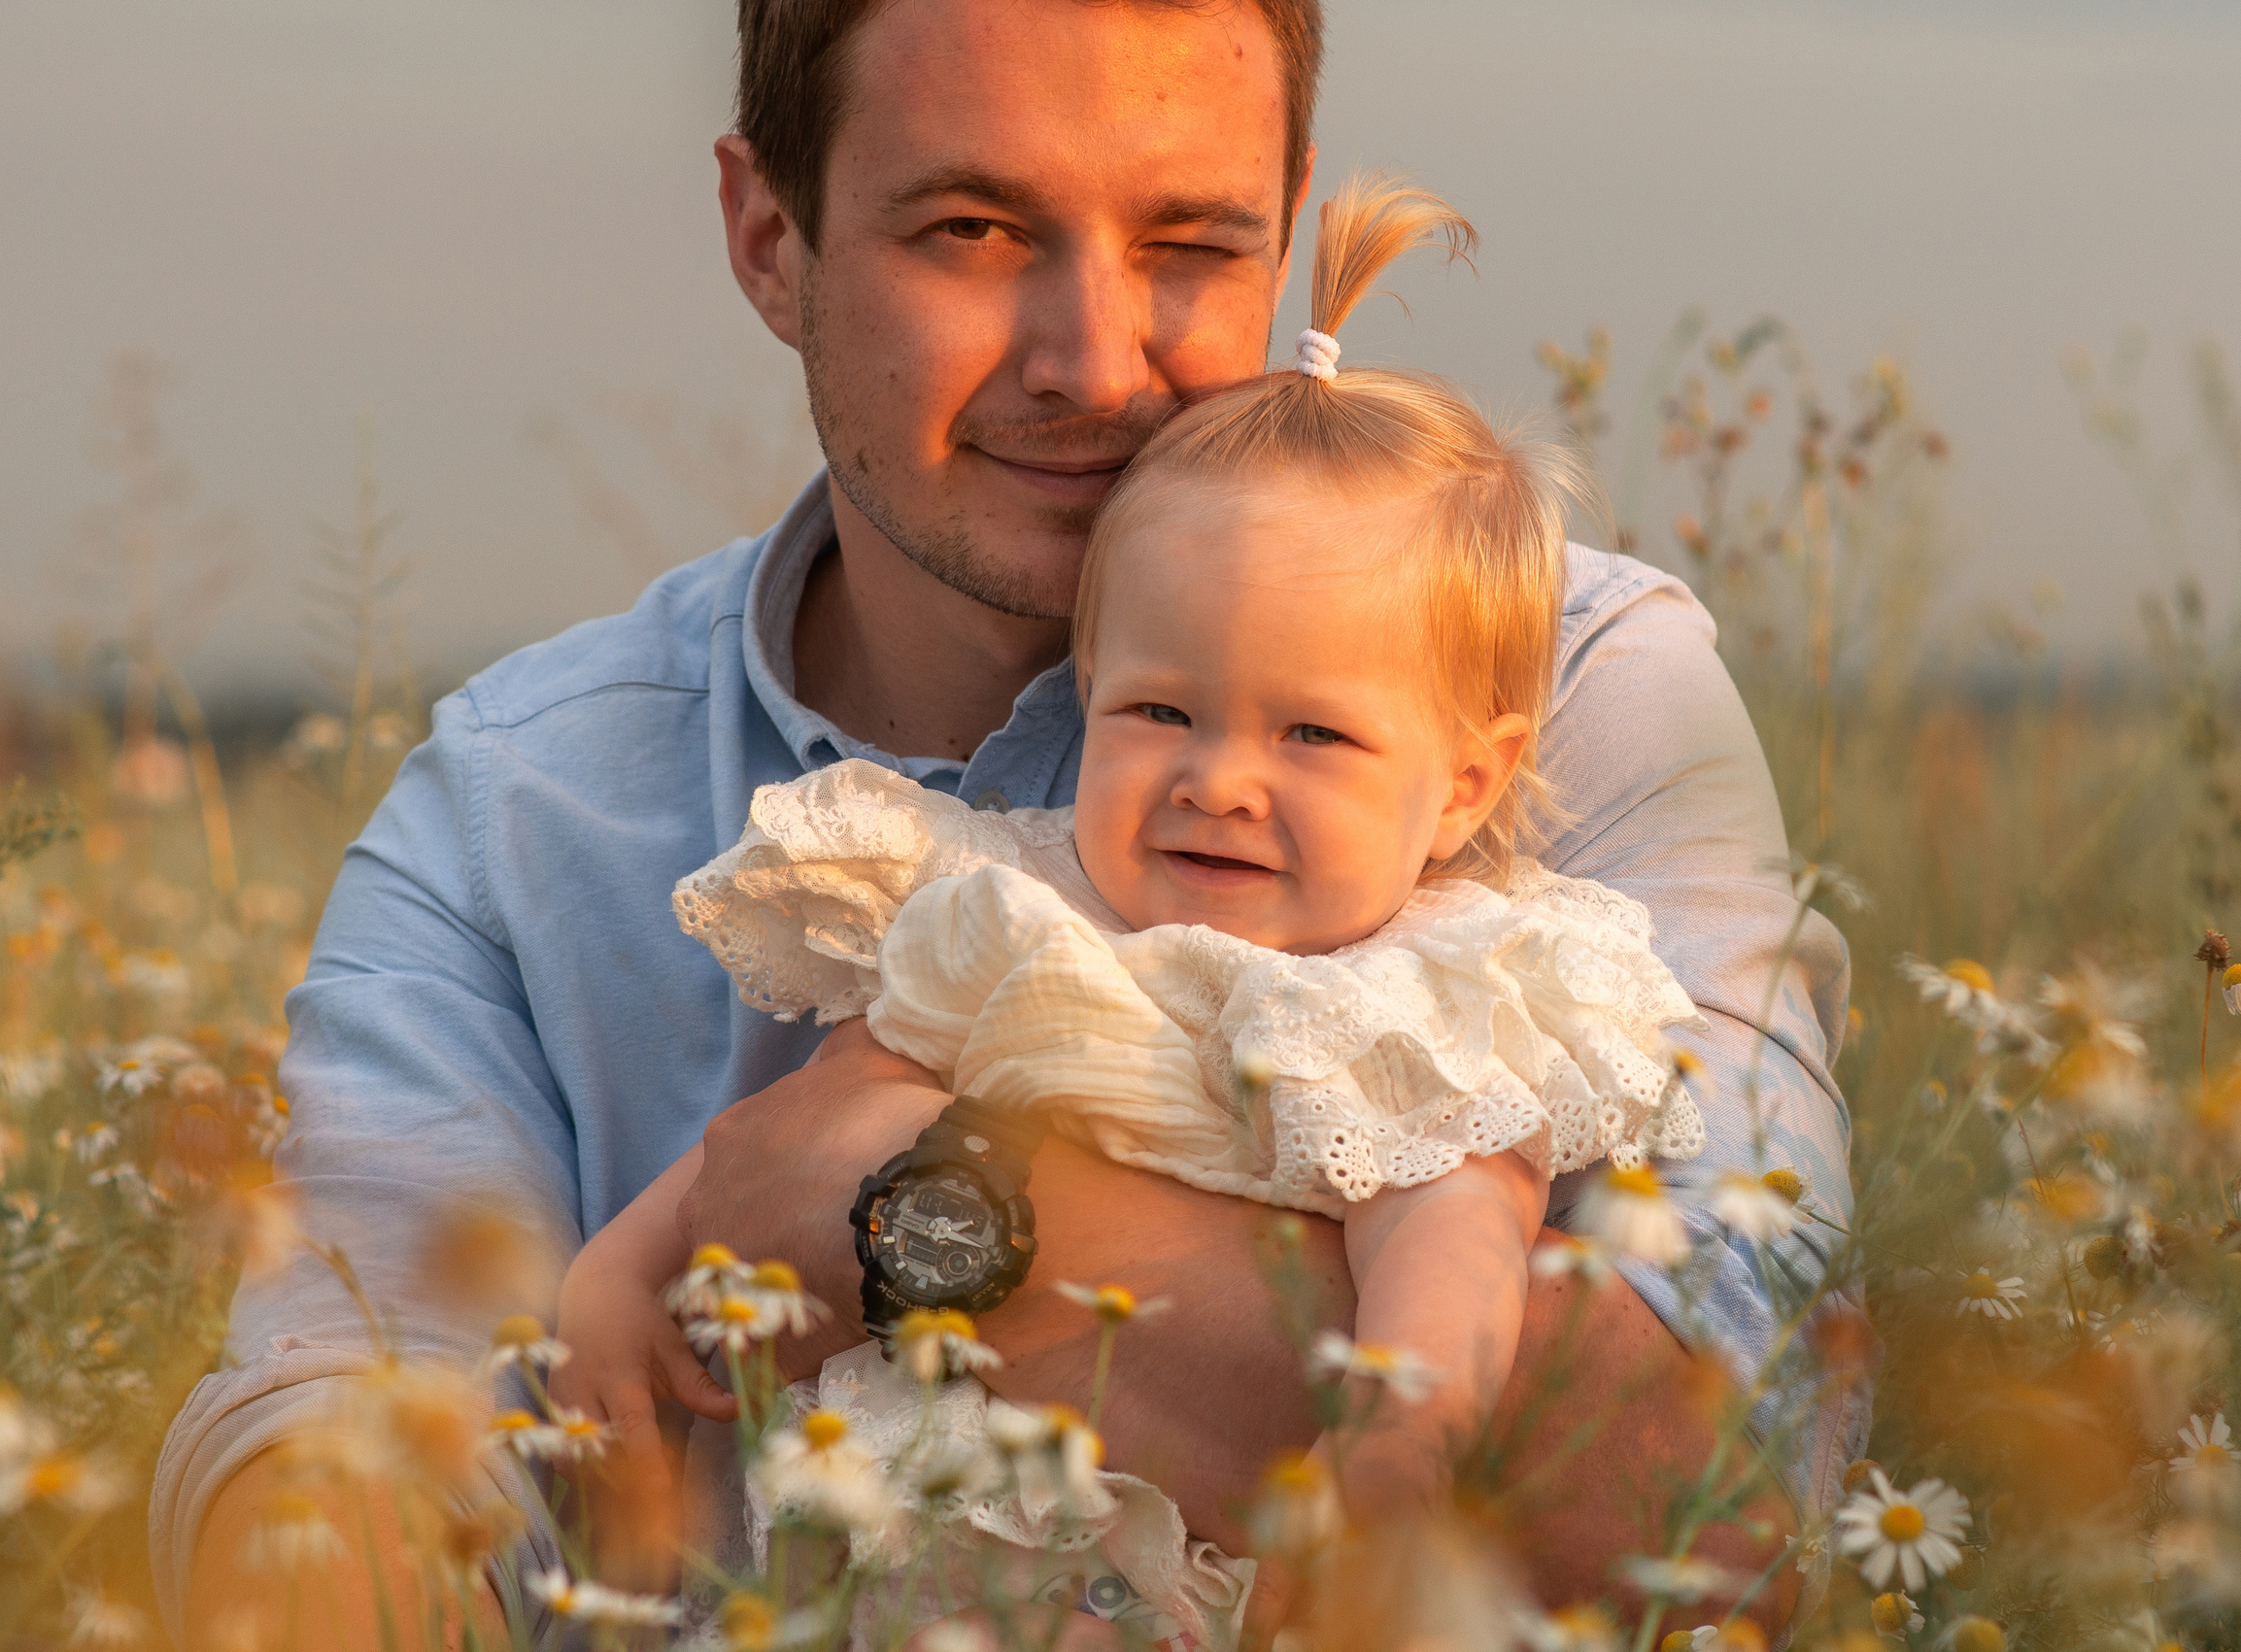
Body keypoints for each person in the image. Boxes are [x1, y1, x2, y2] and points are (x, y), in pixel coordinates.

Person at [153, 1, 1859, 1646]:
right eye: (971, 229)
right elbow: (353, 1419)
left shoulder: (1566, 688)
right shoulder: (517, 807)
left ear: (1285, 234)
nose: (1095, 362)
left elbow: (1733, 1504)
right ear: (768, 235)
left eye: (1192, 241)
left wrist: (902, 1215)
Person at [557, 177, 1717, 1646]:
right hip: (898, 1571)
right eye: (1161, 710)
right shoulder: (1012, 908)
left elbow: (1453, 1233)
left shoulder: (1429, 993)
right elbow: (775, 1159)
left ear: (1465, 784)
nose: (1219, 784)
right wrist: (618, 1272)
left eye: (1313, 737)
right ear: (1085, 689)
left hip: (1207, 1577)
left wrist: (1399, 1438)